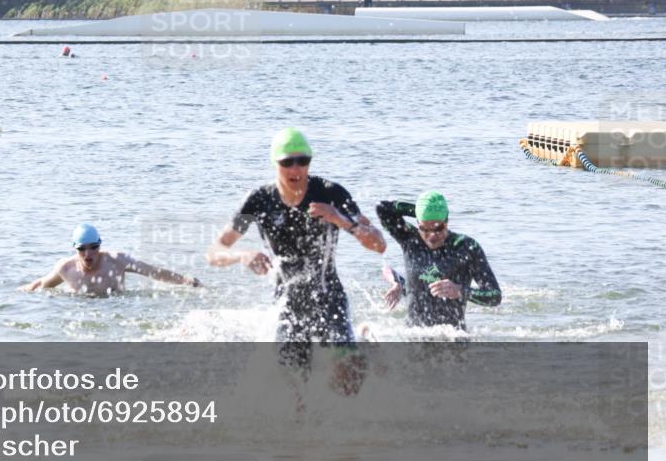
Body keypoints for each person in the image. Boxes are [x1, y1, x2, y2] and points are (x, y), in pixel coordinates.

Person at [206, 128, 385, 377]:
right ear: (275, 163)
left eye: (303, 161)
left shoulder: (330, 193)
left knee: (348, 378)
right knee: (294, 394)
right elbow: (215, 251)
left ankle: (361, 347)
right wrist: (241, 255)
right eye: (287, 162)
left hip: (329, 298)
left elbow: (379, 245)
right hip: (287, 305)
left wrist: (340, 219)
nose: (295, 169)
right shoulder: (259, 201)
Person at [377, 191, 501, 330]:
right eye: (425, 229)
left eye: (438, 228)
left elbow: (494, 296)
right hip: (412, 336)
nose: (432, 236)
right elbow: (383, 208)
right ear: (418, 223)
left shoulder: (467, 247)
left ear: (447, 221)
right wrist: (420, 210)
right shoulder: (410, 239)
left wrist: (460, 291)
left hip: (452, 338)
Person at [19, 223, 201, 296]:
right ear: (75, 249)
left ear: (100, 245)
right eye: (82, 249)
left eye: (93, 247)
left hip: (116, 307)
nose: (88, 253)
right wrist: (17, 293)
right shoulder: (65, 268)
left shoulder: (117, 261)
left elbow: (153, 272)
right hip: (78, 311)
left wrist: (186, 281)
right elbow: (42, 284)